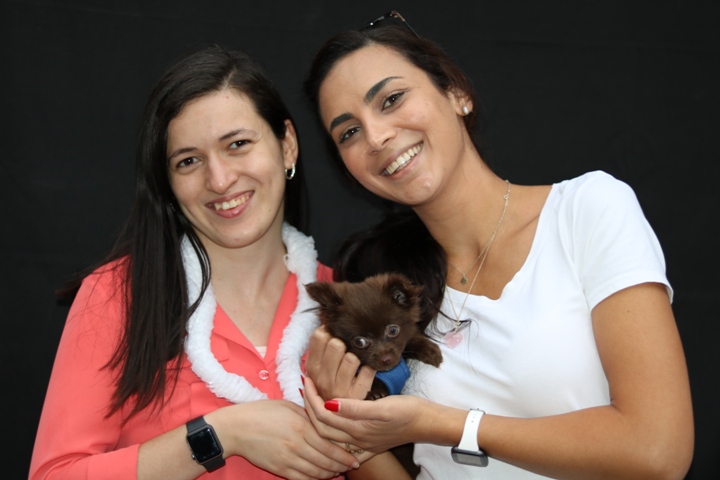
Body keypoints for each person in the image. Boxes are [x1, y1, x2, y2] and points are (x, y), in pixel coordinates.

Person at [300, 12, 694, 480]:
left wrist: (447, 425)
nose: (377, 136)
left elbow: (657, 451)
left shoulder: (586, 210)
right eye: (349, 132)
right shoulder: (376, 283)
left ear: (456, 93)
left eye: (391, 99)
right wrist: (346, 425)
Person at [29, 45, 361, 480]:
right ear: (167, 183)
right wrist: (221, 434)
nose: (219, 180)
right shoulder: (117, 294)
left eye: (238, 145)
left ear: (287, 146)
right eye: (189, 161)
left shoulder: (348, 305)